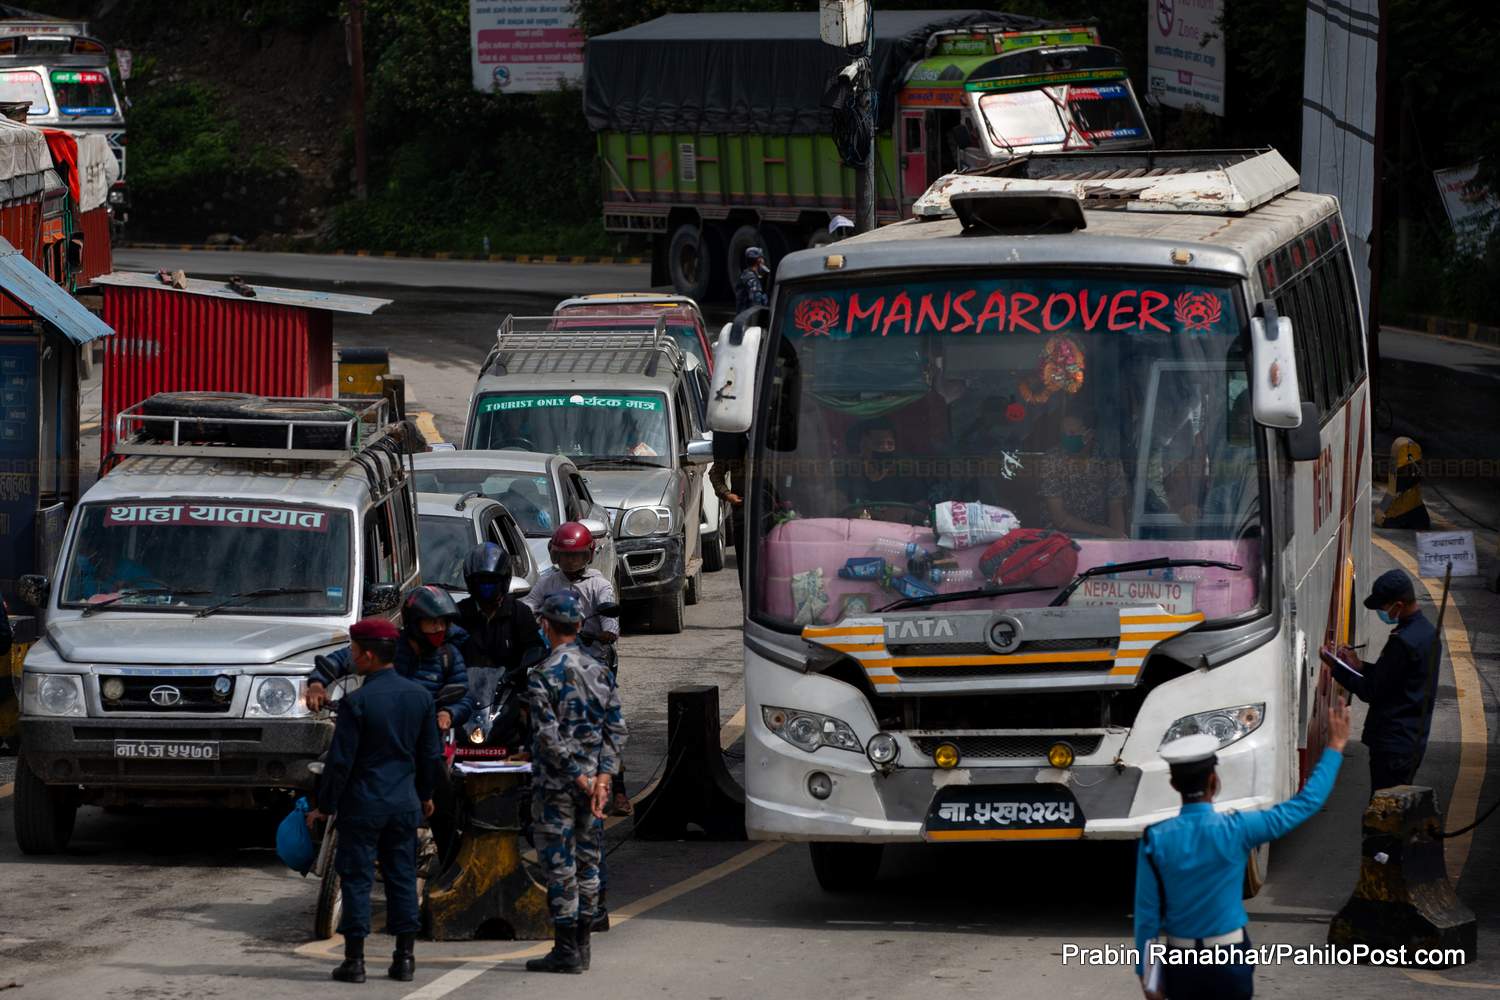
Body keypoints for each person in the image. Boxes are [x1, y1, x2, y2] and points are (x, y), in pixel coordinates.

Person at [1134, 698, 1350, 1000]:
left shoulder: (1155, 839)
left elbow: (1147, 916)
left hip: (1180, 964)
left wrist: (1146, 973)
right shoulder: (1238, 829)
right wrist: (1335, 747)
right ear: (1214, 780)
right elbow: (1307, 803)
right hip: (1229, 958)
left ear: (1173, 784)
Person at [307, 617, 443, 984]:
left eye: (353, 652)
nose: (351, 658)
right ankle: (404, 959)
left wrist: (324, 805)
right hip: (403, 805)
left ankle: (355, 961)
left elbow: (340, 763)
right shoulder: (420, 697)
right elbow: (431, 755)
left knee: (357, 879)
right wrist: (426, 795)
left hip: (362, 806)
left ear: (367, 656)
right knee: (401, 878)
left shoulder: (357, 702)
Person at [307, 586, 474, 858]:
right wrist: (316, 683)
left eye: (443, 623)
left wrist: (449, 713)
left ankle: (447, 863)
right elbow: (341, 659)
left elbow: (463, 696)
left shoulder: (449, 656)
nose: (439, 629)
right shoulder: (388, 646)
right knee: (328, 766)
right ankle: (319, 828)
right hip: (375, 734)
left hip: (421, 741)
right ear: (415, 622)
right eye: (433, 622)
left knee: (444, 798)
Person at [524, 593, 627, 975]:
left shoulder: (542, 675)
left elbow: (547, 738)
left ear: (546, 625)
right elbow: (617, 728)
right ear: (581, 626)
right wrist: (602, 778)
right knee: (588, 862)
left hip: (557, 787)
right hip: (594, 787)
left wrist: (580, 778)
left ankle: (567, 950)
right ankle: (582, 947)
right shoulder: (600, 672)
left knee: (559, 866)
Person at [523, 522, 628, 815]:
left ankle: (618, 790)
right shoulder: (548, 582)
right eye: (564, 555)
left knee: (604, 725)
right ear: (555, 556)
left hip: (593, 661)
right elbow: (528, 606)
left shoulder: (599, 585)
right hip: (554, 663)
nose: (570, 561)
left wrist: (602, 633)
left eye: (577, 555)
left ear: (588, 556)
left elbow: (611, 625)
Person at [1331, 568, 1442, 794]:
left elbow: (1372, 691)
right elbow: (1395, 677)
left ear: (1398, 605)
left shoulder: (1402, 642)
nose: (1382, 612)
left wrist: (1336, 668)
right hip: (1412, 739)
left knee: (1383, 810)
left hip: (1393, 743)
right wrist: (1360, 665)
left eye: (1383, 606)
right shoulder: (1426, 632)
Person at [456, 542, 544, 747]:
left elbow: (535, 647)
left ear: (503, 582)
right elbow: (448, 651)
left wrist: (519, 669)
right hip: (467, 695)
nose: (486, 588)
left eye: (492, 582)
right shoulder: (459, 614)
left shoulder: (519, 612)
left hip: (510, 692)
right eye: (481, 582)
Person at [1040, 412, 1128, 538]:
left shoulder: (1108, 459)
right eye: (1063, 433)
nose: (1066, 437)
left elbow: (1116, 505)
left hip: (1101, 538)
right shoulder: (1052, 459)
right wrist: (1102, 531)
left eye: (1071, 433)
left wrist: (1118, 537)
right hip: (1060, 538)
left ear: (1089, 434)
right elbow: (1059, 518)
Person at [838, 416, 928, 513]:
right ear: (863, 446)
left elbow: (920, 507)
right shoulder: (849, 473)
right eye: (878, 444)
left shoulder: (905, 474)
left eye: (890, 444)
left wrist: (902, 514)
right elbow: (837, 502)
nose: (885, 448)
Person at [734, 246, 770, 314]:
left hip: (744, 316)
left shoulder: (746, 274)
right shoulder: (752, 279)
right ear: (759, 260)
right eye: (762, 258)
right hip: (749, 319)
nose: (763, 260)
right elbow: (757, 301)